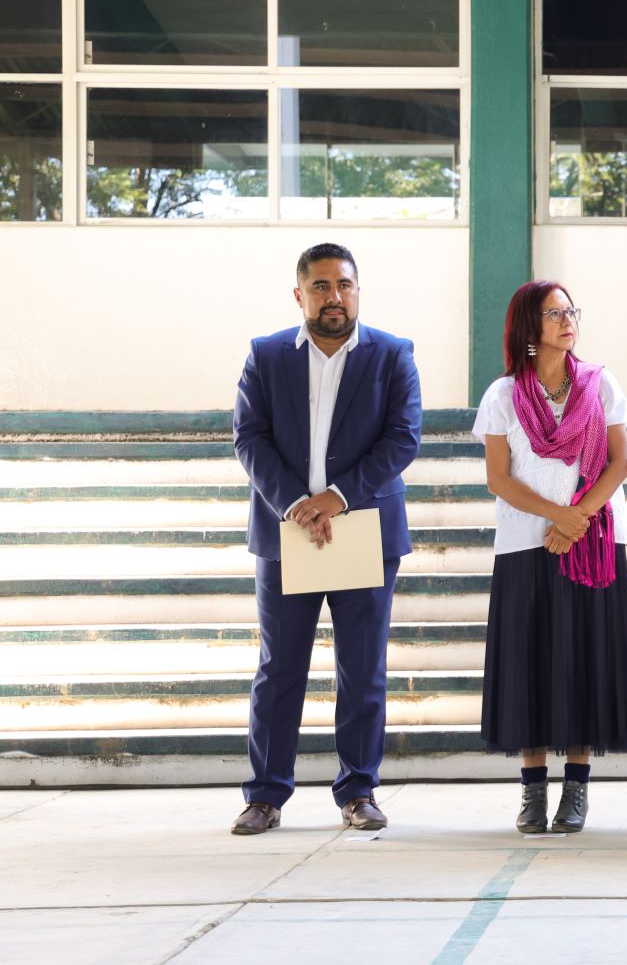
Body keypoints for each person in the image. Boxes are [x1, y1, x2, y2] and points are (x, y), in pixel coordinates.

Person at [230, 243, 422, 835]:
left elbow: (403, 438)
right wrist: (296, 505)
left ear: (357, 290)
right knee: (279, 669)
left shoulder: (393, 355)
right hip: (287, 533)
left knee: (361, 670)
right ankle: (265, 796)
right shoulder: (265, 356)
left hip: (362, 528)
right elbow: (249, 438)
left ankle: (358, 790)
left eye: (343, 284)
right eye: (320, 286)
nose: (333, 296)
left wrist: (336, 497)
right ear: (299, 294)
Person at [472, 280, 627, 835]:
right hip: (526, 543)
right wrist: (555, 514)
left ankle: (576, 790)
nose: (568, 320)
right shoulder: (502, 396)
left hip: (592, 540)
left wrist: (578, 517)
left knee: (586, 661)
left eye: (572, 311)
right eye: (554, 312)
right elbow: (499, 478)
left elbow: (620, 463)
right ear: (528, 324)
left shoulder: (600, 383)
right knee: (530, 664)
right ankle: (532, 792)